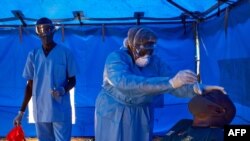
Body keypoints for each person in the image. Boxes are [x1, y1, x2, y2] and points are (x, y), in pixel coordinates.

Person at [94, 26, 225, 141]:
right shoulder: (116, 58)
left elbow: (174, 84)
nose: (146, 58)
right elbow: (124, 82)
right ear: (131, 46)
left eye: (149, 52)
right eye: (142, 53)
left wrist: (197, 88)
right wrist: (170, 82)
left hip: (142, 111)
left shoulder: (155, 62)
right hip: (115, 111)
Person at [13, 17, 77, 141]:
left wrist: (63, 89)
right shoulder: (33, 55)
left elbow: (73, 80)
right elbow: (30, 85)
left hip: (60, 110)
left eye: (47, 29)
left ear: (53, 31)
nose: (45, 33)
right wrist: (21, 113)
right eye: (41, 30)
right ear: (37, 33)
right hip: (40, 110)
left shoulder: (65, 53)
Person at [158, 89, 236, 141]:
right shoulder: (184, 123)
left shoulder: (216, 134)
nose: (201, 96)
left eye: (208, 97)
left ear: (218, 111)